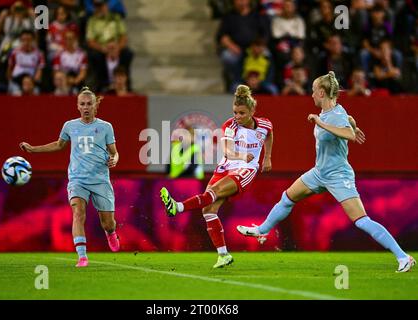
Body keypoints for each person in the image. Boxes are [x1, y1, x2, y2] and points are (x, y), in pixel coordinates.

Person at [237, 71, 416, 273]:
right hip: (320, 172)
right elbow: (349, 121)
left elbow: (346, 132)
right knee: (287, 197)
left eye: (313, 91)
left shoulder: (332, 115)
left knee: (362, 221)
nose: (311, 95)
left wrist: (327, 124)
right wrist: (354, 126)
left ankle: (403, 257)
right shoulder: (334, 113)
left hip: (339, 176)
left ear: (321, 92)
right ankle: (261, 230)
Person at [160, 85, 273, 268]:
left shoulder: (265, 124)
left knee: (213, 192)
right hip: (226, 166)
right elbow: (227, 151)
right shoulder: (230, 126)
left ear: (252, 110)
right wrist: (242, 155)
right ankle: (223, 255)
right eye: (235, 112)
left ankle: (178, 207)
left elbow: (269, 135)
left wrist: (267, 158)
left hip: (245, 169)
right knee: (208, 210)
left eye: (242, 113)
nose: (237, 117)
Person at [19, 87, 121, 268]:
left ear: (95, 105)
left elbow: (115, 152)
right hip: (77, 179)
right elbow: (59, 145)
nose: (86, 107)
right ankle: (82, 256)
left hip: (100, 180)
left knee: (108, 223)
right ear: (77, 106)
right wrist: (33, 149)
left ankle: (111, 232)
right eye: (82, 104)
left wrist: (114, 159)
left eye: (89, 104)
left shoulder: (106, 127)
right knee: (78, 213)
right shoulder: (70, 126)